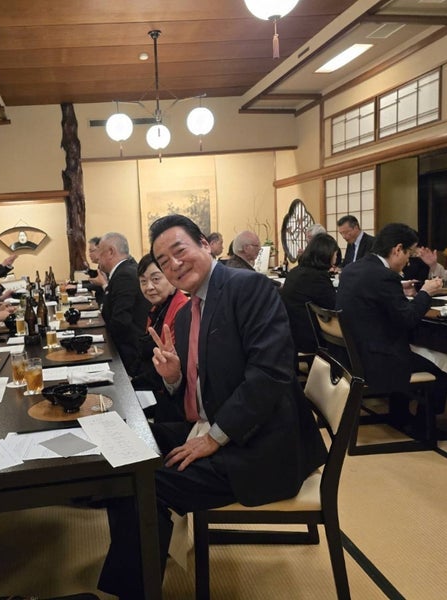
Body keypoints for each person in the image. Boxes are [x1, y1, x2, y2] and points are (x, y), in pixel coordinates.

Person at [98, 216, 326, 598]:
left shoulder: (248, 287)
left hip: (261, 446)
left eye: (180, 251)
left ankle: (132, 591)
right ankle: (136, 573)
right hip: (216, 426)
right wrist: (174, 377)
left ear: (205, 244)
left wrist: (215, 437)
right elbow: (203, 389)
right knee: (126, 449)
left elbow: (269, 375)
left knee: (145, 482)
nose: (173, 265)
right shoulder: (188, 312)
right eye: (163, 261)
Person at [336, 223, 447, 438]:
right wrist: (425, 292)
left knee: (418, 349)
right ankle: (424, 426)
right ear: (398, 249)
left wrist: (398, 289)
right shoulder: (383, 275)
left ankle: (400, 414)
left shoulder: (353, 269)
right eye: (409, 253)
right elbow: (407, 319)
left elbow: (374, 298)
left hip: (351, 356)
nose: (408, 261)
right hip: (378, 361)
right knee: (446, 362)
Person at [130, 253, 189, 414]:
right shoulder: (156, 308)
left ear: (171, 277)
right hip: (153, 386)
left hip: (173, 397)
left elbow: (176, 369)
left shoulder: (183, 311)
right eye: (143, 281)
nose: (148, 287)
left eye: (155, 279)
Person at [97, 232, 150, 376]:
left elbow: (121, 320)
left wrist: (101, 344)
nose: (97, 259)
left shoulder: (124, 275)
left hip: (129, 356)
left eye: (100, 253)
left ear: (110, 252)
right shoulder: (125, 269)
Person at [279, 233, 340, 354]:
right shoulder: (317, 278)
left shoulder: (295, 271)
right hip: (311, 338)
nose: (336, 257)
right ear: (326, 254)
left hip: (291, 333)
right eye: (335, 253)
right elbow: (333, 307)